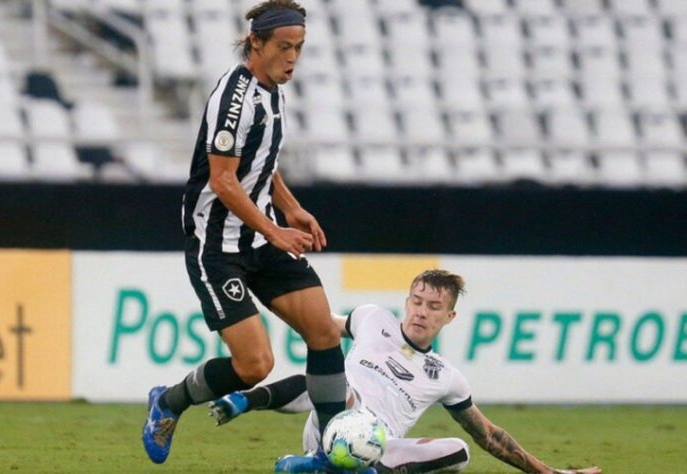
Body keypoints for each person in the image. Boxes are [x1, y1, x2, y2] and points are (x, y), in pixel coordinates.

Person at [141, 0, 346, 464]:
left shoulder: (274, 91)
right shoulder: (234, 97)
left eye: (300, 48)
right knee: (255, 366)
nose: (293, 58)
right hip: (216, 247)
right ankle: (168, 402)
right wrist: (275, 230)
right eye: (284, 47)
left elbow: (261, 165)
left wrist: (292, 209)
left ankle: (334, 453)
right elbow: (223, 179)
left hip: (260, 237)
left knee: (323, 331)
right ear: (256, 42)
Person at [209, 270, 603, 474]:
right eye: (416, 301)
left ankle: (331, 470)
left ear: (449, 317)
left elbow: (490, 437)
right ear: (406, 301)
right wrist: (256, 294)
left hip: (379, 449)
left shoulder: (446, 376)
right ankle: (251, 404)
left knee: (460, 452)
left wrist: (550, 472)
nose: (421, 311)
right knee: (333, 377)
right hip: (332, 424)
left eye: (433, 307)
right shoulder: (370, 319)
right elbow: (314, 322)